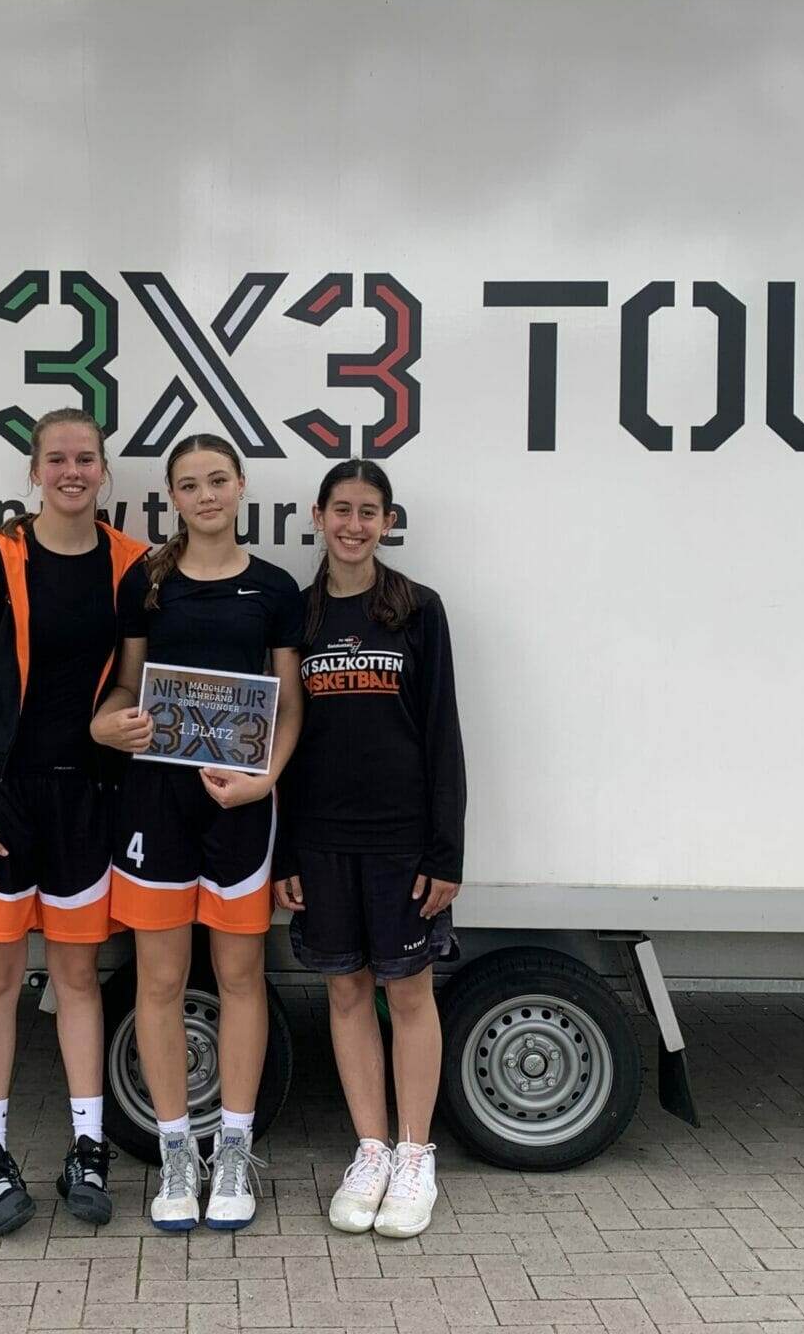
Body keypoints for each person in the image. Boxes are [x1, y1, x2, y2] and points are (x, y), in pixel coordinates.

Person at [0, 408, 148, 1237]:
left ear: (104, 470)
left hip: (83, 801)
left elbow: (134, 680)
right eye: (56, 458)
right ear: (34, 471)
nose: (71, 471)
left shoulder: (128, 564)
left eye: (85, 458)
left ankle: (88, 1151)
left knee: (78, 980)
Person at [91, 432, 304, 1233]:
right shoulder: (147, 581)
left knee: (241, 976)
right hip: (155, 802)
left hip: (239, 806)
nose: (206, 495)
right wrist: (112, 723)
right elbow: (124, 687)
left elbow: (289, 702)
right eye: (189, 484)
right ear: (172, 498)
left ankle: (236, 1151)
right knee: (159, 981)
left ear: (241, 485)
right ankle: (177, 1152)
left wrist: (266, 778)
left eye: (218, 480)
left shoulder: (275, 588)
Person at [274, 459, 466, 1239]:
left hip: (401, 843)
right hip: (322, 841)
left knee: (409, 994)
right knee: (347, 992)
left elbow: (443, 732)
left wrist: (446, 853)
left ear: (388, 522)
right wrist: (285, 853)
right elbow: (284, 737)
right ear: (318, 515)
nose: (354, 525)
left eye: (369, 512)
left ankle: (416, 1156)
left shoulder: (418, 609)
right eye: (342, 509)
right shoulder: (298, 616)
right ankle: (372, 1151)